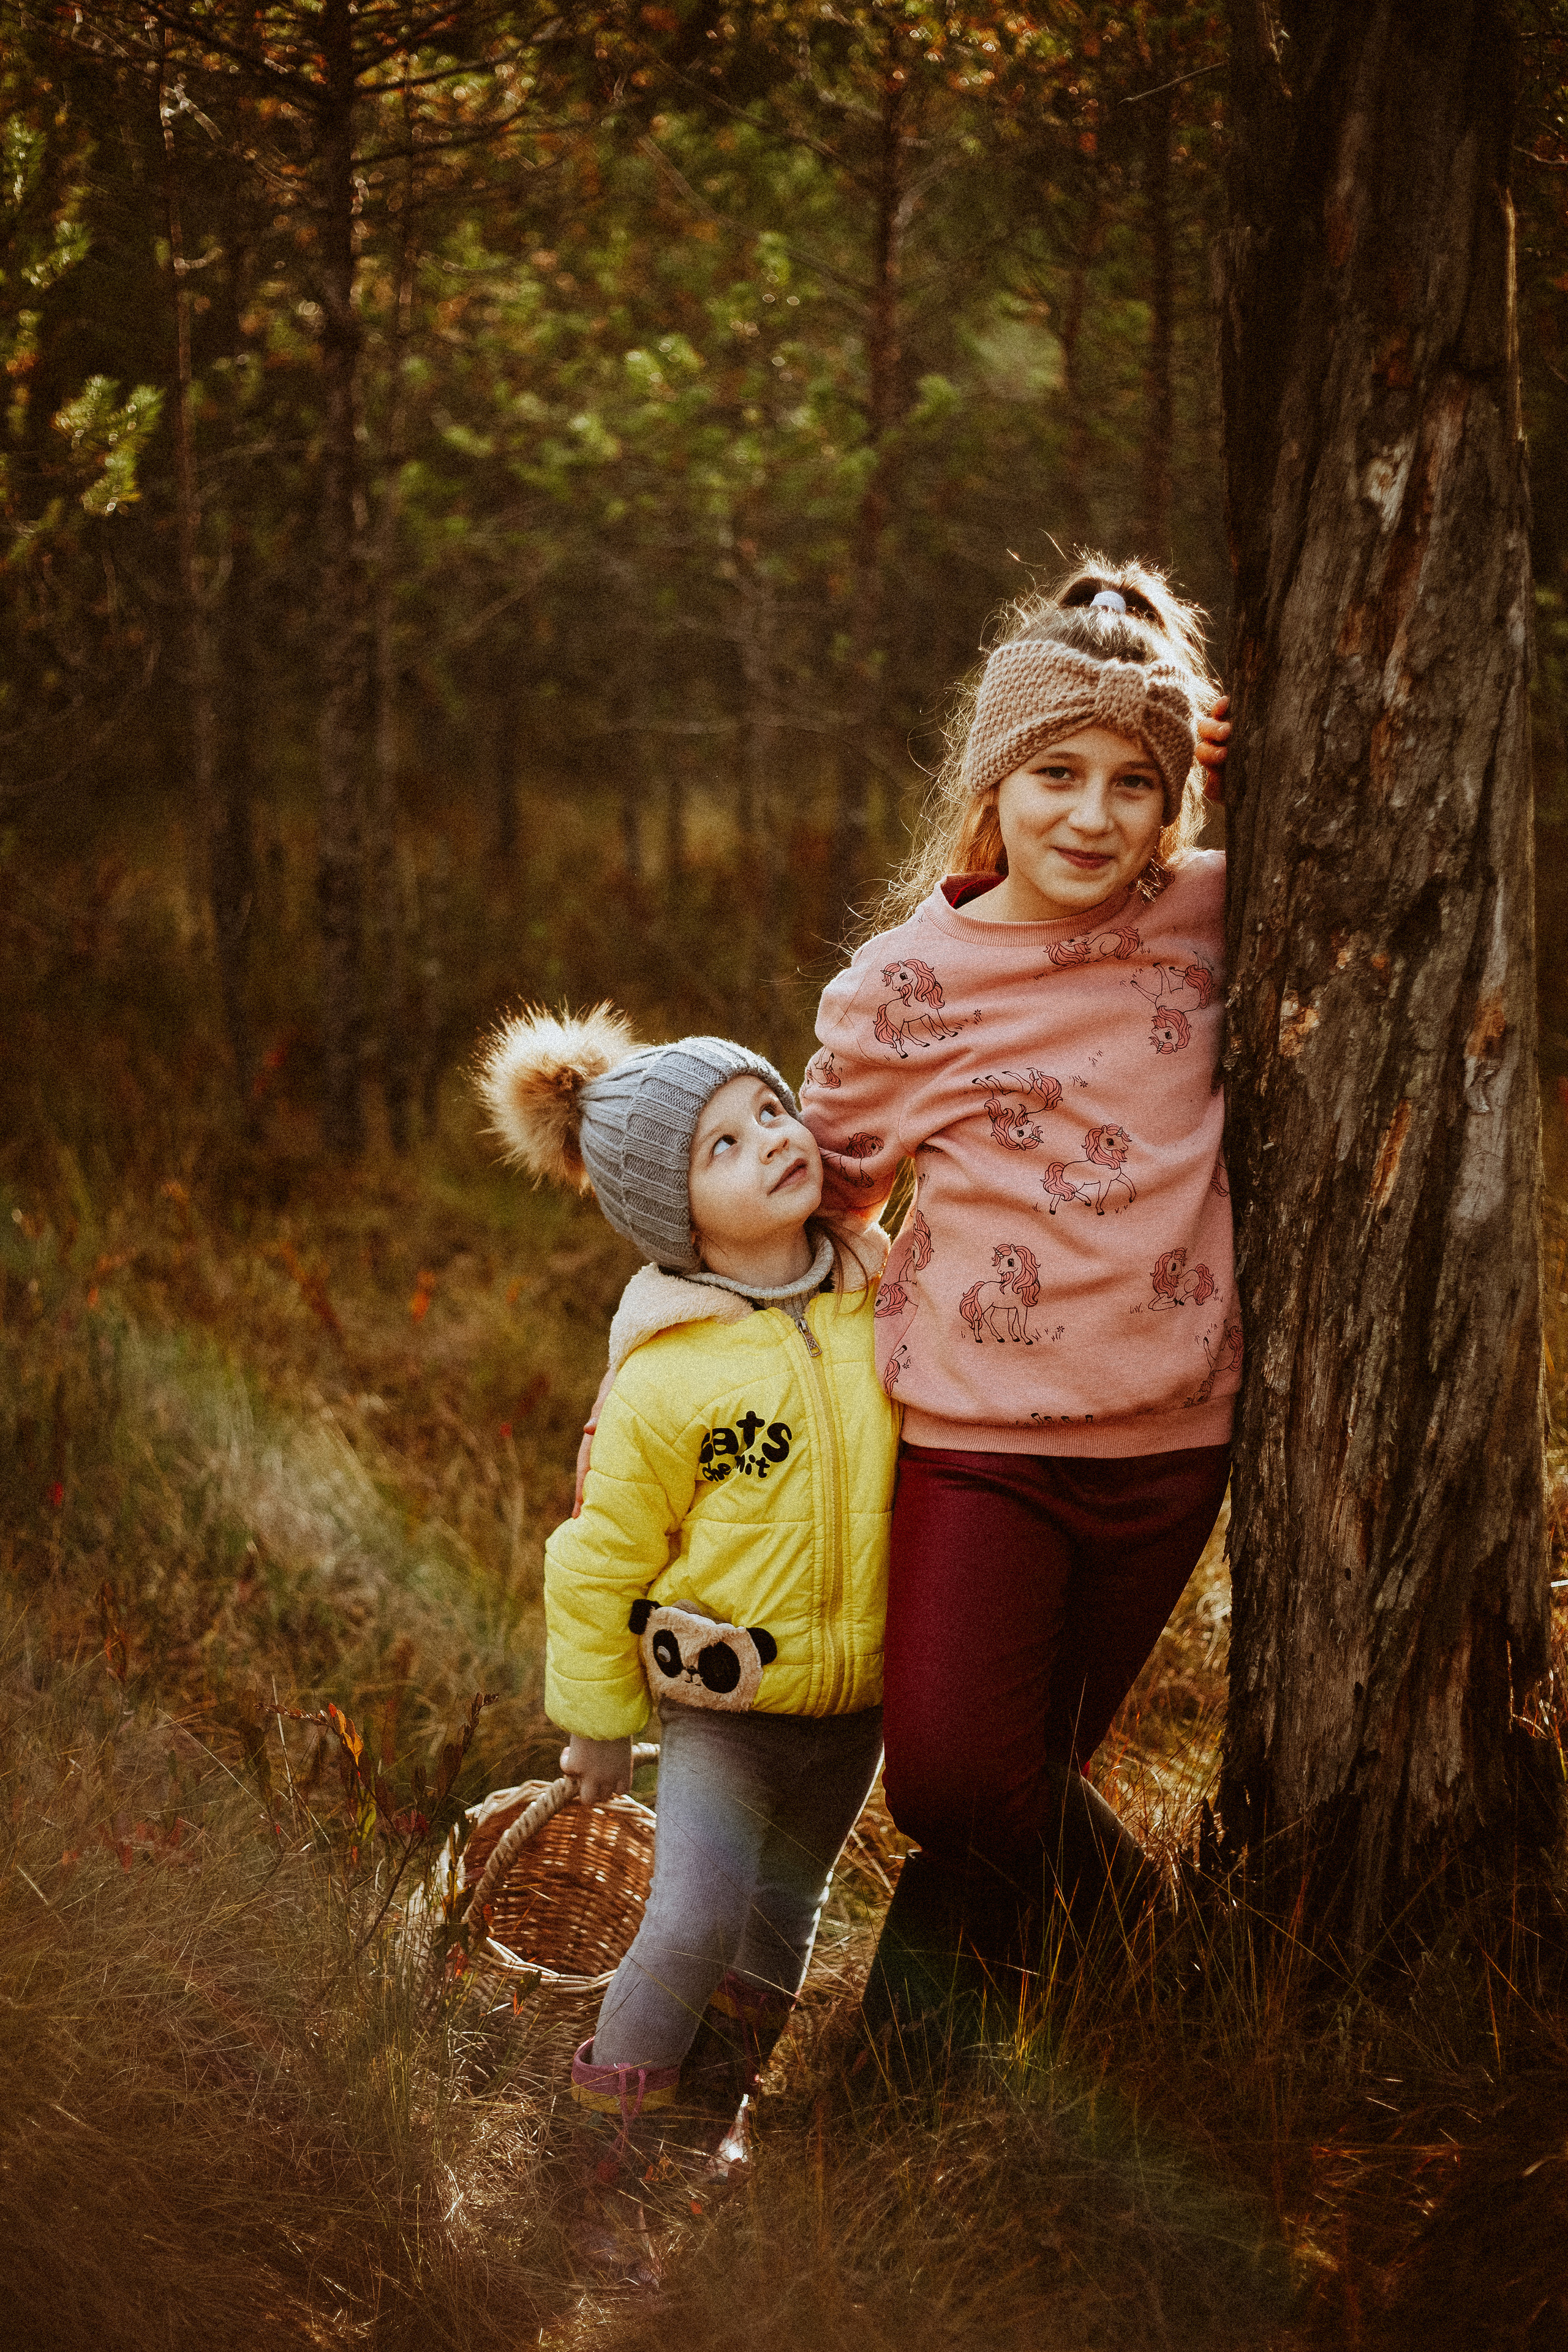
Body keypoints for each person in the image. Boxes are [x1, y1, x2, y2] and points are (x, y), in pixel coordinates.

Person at [797, 559, 1235, 2038]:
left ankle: (902, 2098)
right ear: (995, 778)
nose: (1092, 816)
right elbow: (824, 1199)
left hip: (1173, 1446)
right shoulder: (902, 988)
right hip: (980, 1447)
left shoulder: (1209, 921)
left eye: (1131, 781)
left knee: (1013, 1786)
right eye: (1055, 771)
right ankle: (1160, 1940)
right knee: (950, 1776)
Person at [475, 1008, 897, 2143]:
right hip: (727, 1713)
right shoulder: (664, 1378)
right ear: (676, 1216)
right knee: (694, 1920)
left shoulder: (879, 1295)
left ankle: (708, 2124)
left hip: (855, 1706)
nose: (770, 1138)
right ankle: (601, 2159)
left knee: (782, 1922)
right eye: (723, 1145)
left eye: (770, 1108)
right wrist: (597, 1726)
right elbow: (597, 1557)